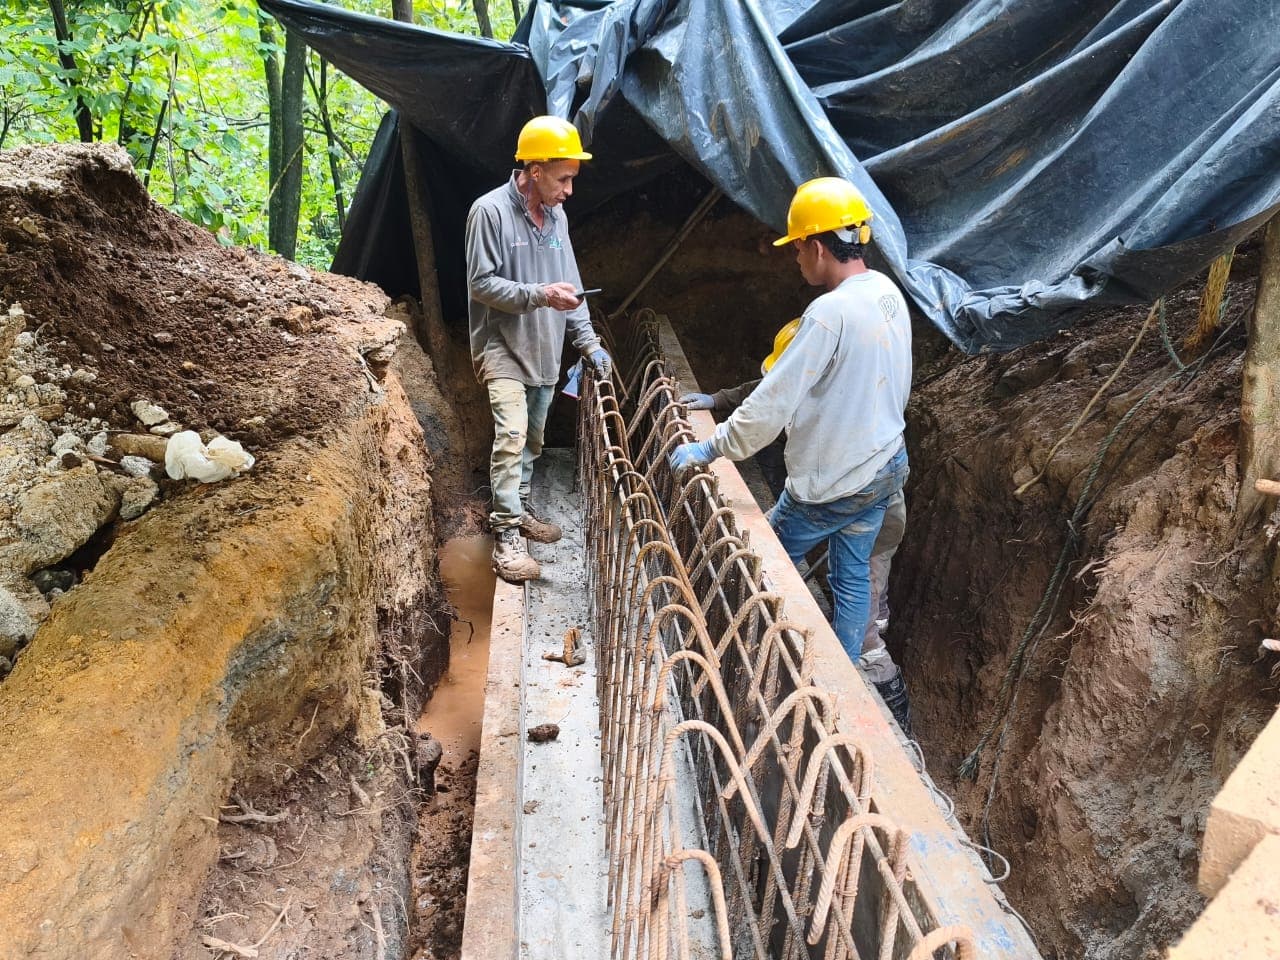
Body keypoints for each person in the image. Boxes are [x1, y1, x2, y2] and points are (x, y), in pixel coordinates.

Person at [669, 176, 911, 722]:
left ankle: (734, 657)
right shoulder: (886, 294)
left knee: (760, 560)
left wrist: (711, 450)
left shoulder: (829, 314)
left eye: (796, 247)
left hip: (833, 482)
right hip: (884, 468)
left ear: (818, 246)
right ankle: (844, 692)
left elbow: (772, 404)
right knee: (852, 579)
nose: (795, 258)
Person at [680, 315, 912, 733]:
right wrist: (718, 400)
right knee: (847, 577)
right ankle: (838, 668)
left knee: (864, 625)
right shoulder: (830, 374)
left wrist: (712, 447)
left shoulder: (844, 411)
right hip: (855, 494)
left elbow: (768, 416)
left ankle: (881, 705)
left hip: (867, 512)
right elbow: (768, 390)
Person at [466, 115, 611, 583]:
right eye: (564, 178)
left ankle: (521, 507)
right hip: (502, 347)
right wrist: (540, 295)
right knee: (510, 437)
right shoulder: (488, 212)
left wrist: (588, 342)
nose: (569, 190)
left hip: (546, 349)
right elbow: (482, 283)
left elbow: (572, 285)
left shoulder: (556, 217)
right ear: (534, 170)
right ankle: (506, 539)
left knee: (532, 441)